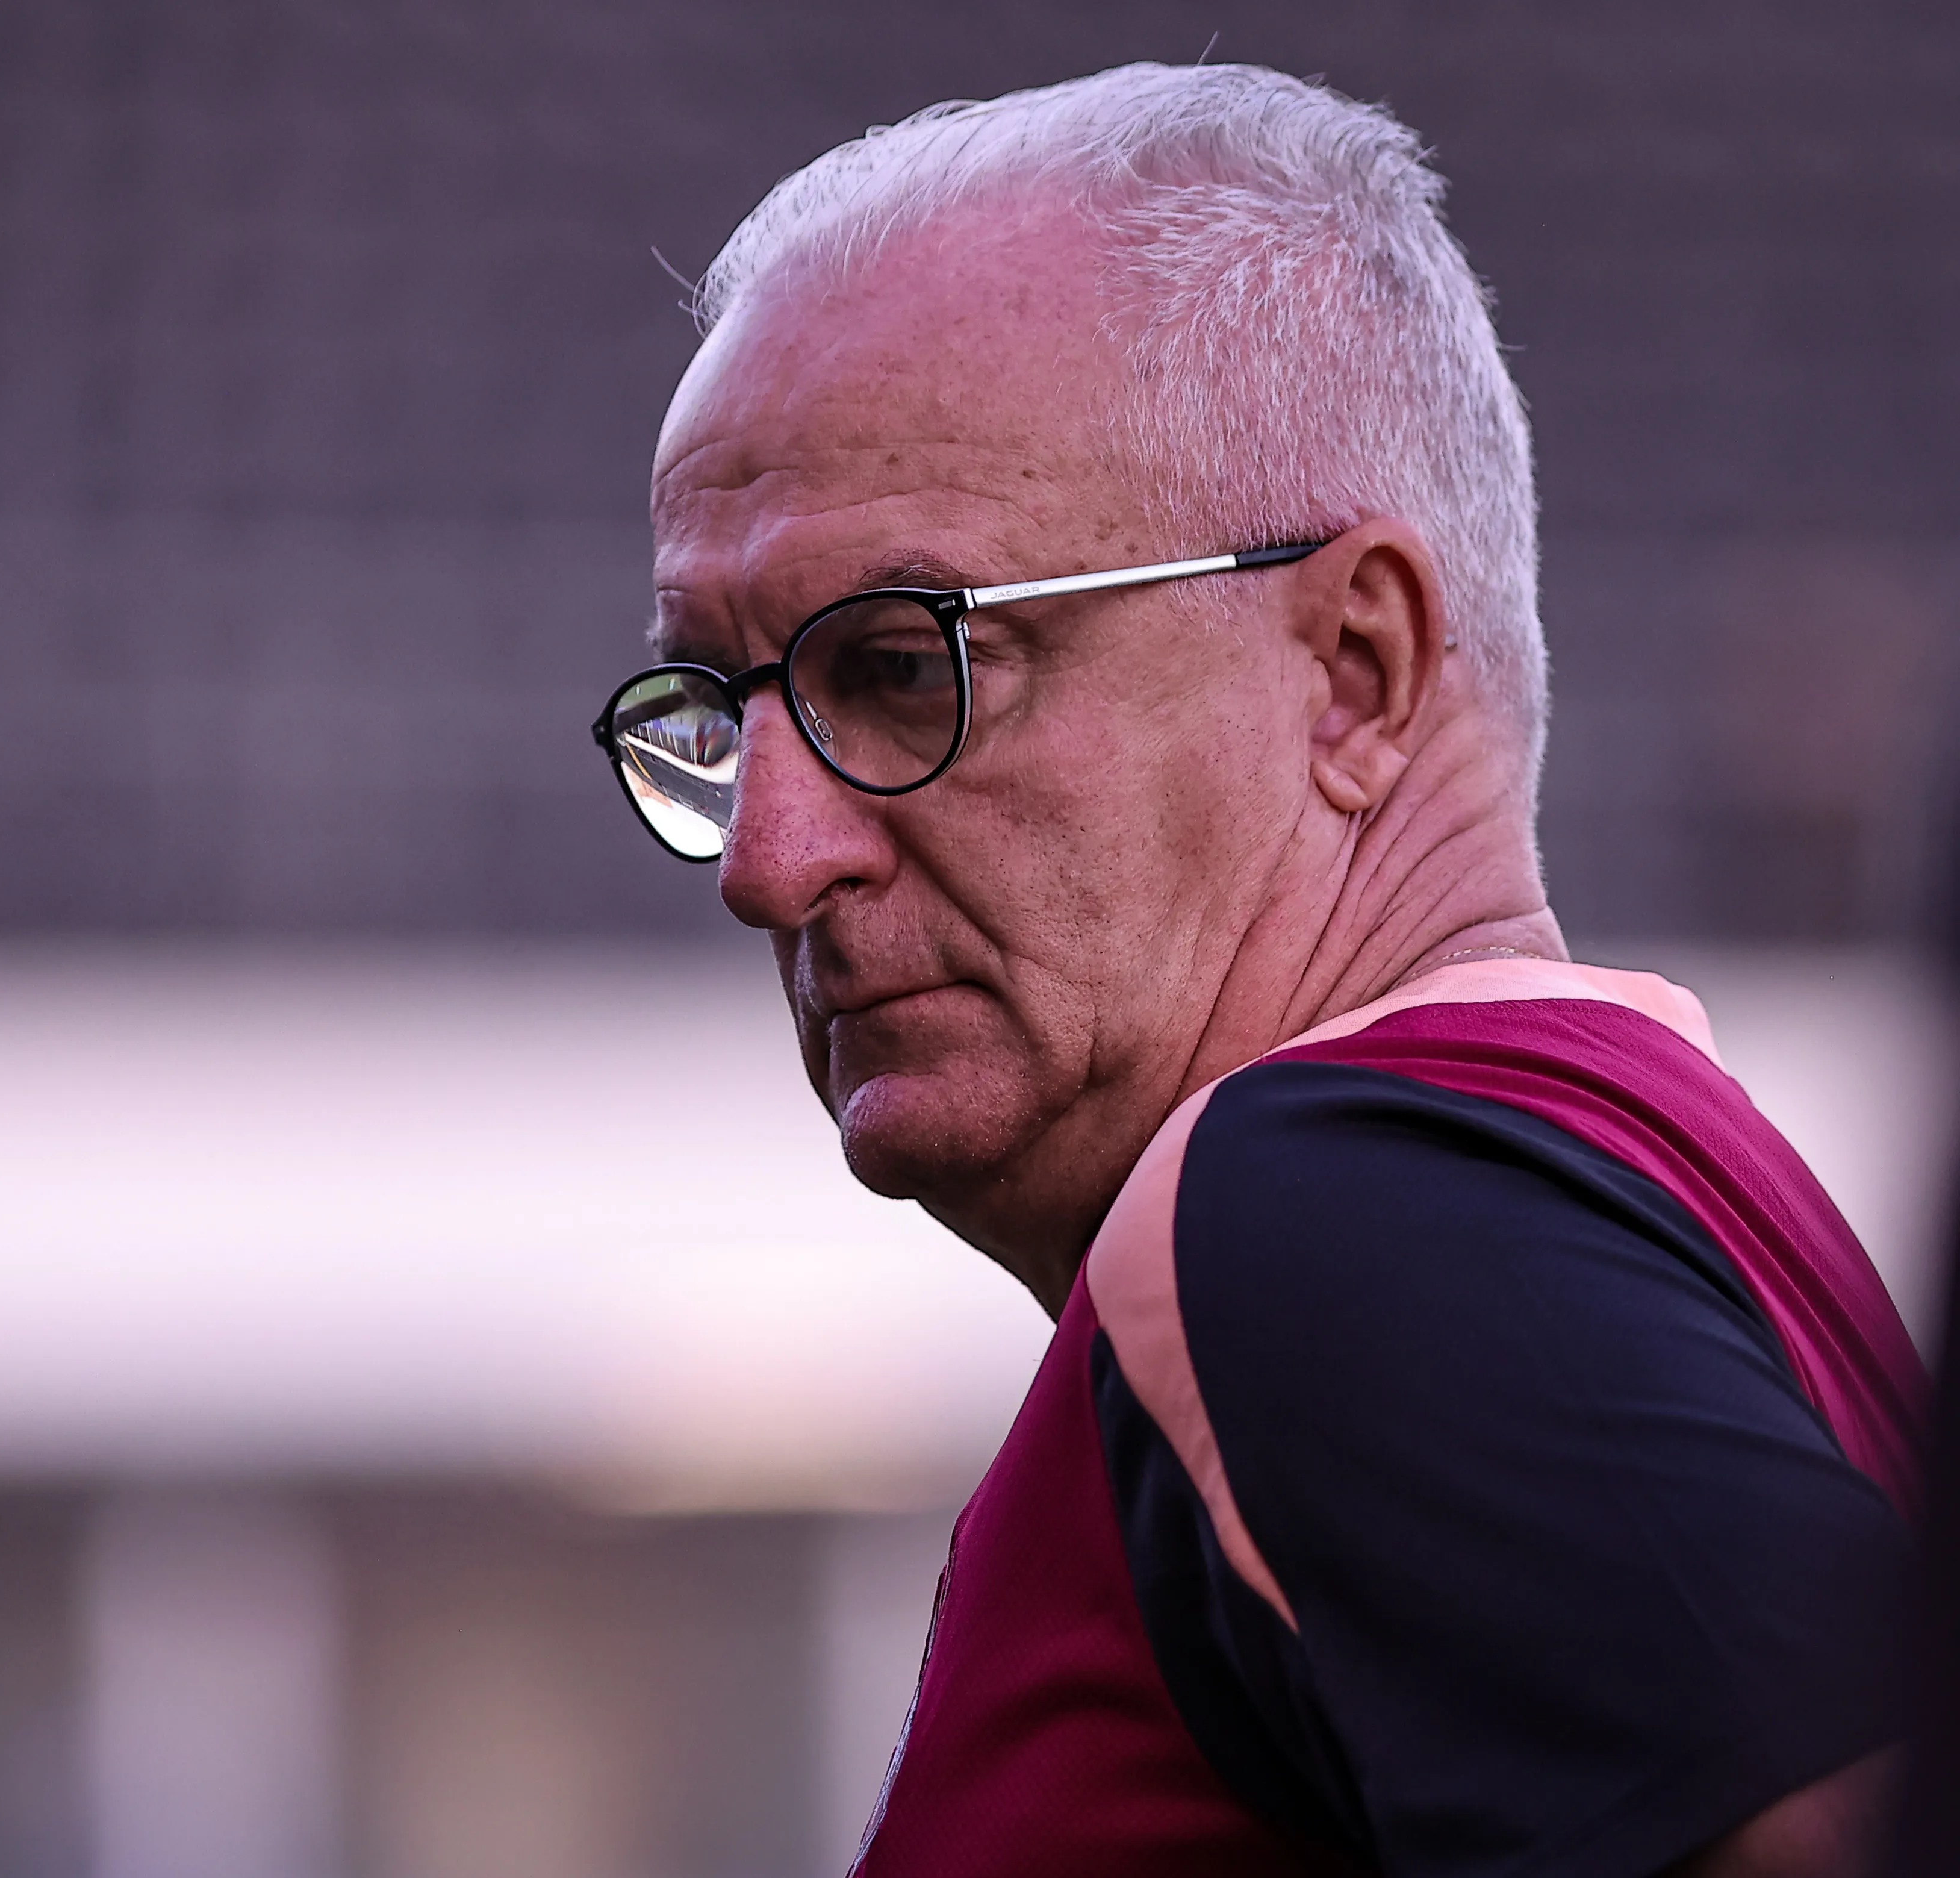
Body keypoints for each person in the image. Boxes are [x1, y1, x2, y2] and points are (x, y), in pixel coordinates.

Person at [590, 65, 1924, 1878]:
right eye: (722, 717)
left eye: (904, 668)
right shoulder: (1630, 1182)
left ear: (1354, 671)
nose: (767, 859)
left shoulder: (1342, 1221)